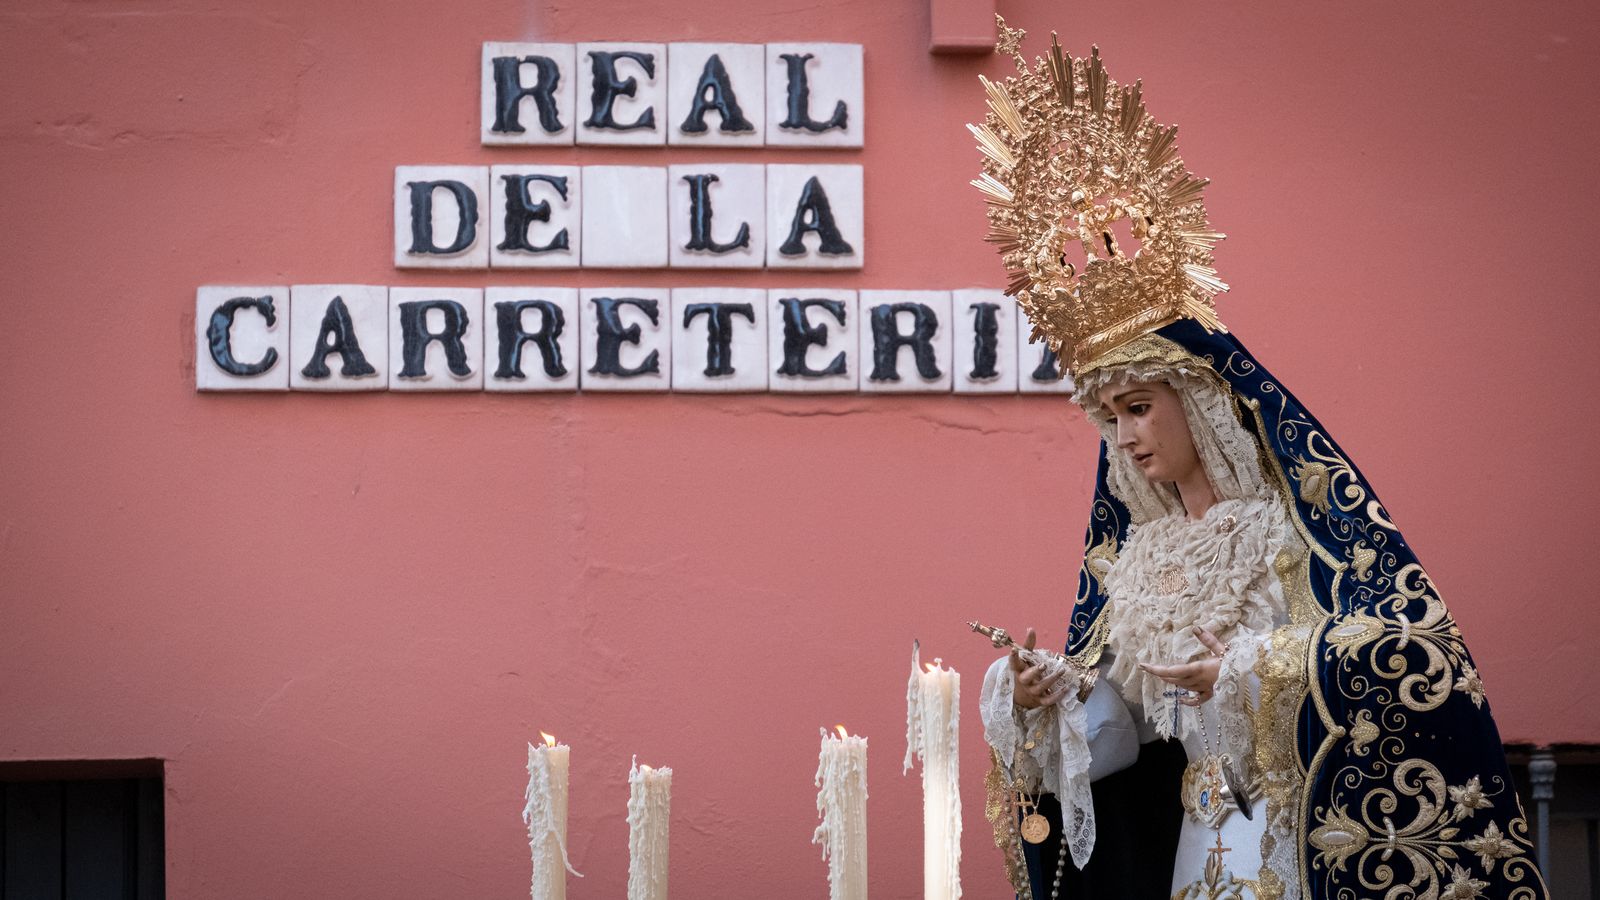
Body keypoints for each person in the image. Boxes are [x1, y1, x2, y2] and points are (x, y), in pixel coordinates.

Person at [969, 17, 1549, 900]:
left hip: (1288, 840)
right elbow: (1125, 741)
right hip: (1192, 845)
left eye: (1138, 407)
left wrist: (1245, 670)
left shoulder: (1295, 530)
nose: (1124, 435)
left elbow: (1402, 647)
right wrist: (1056, 696)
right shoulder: (1136, 559)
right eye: (1110, 418)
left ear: (1199, 403)